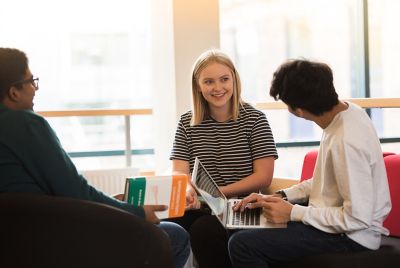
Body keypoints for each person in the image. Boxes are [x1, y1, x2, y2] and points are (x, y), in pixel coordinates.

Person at [0, 47, 190, 268]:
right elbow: (74, 190)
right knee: (173, 236)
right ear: (14, 91)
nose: (35, 89)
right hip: (54, 238)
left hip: (19, 242)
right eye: (32, 81)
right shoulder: (26, 124)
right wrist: (137, 211)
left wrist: (111, 203)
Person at [228, 59, 392, 267]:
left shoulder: (347, 140)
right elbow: (326, 180)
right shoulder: (347, 114)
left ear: (298, 111)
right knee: (244, 222)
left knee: (241, 244)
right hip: (332, 219)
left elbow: (358, 219)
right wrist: (278, 196)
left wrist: (293, 212)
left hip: (352, 236)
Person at [169, 49, 278, 267]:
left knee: (204, 229)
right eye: (209, 81)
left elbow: (264, 177)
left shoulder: (255, 119)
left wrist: (216, 193)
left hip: (245, 207)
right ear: (198, 86)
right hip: (203, 207)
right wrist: (190, 192)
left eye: (224, 79)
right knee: (166, 227)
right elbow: (179, 172)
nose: (218, 88)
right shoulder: (186, 122)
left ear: (234, 80)